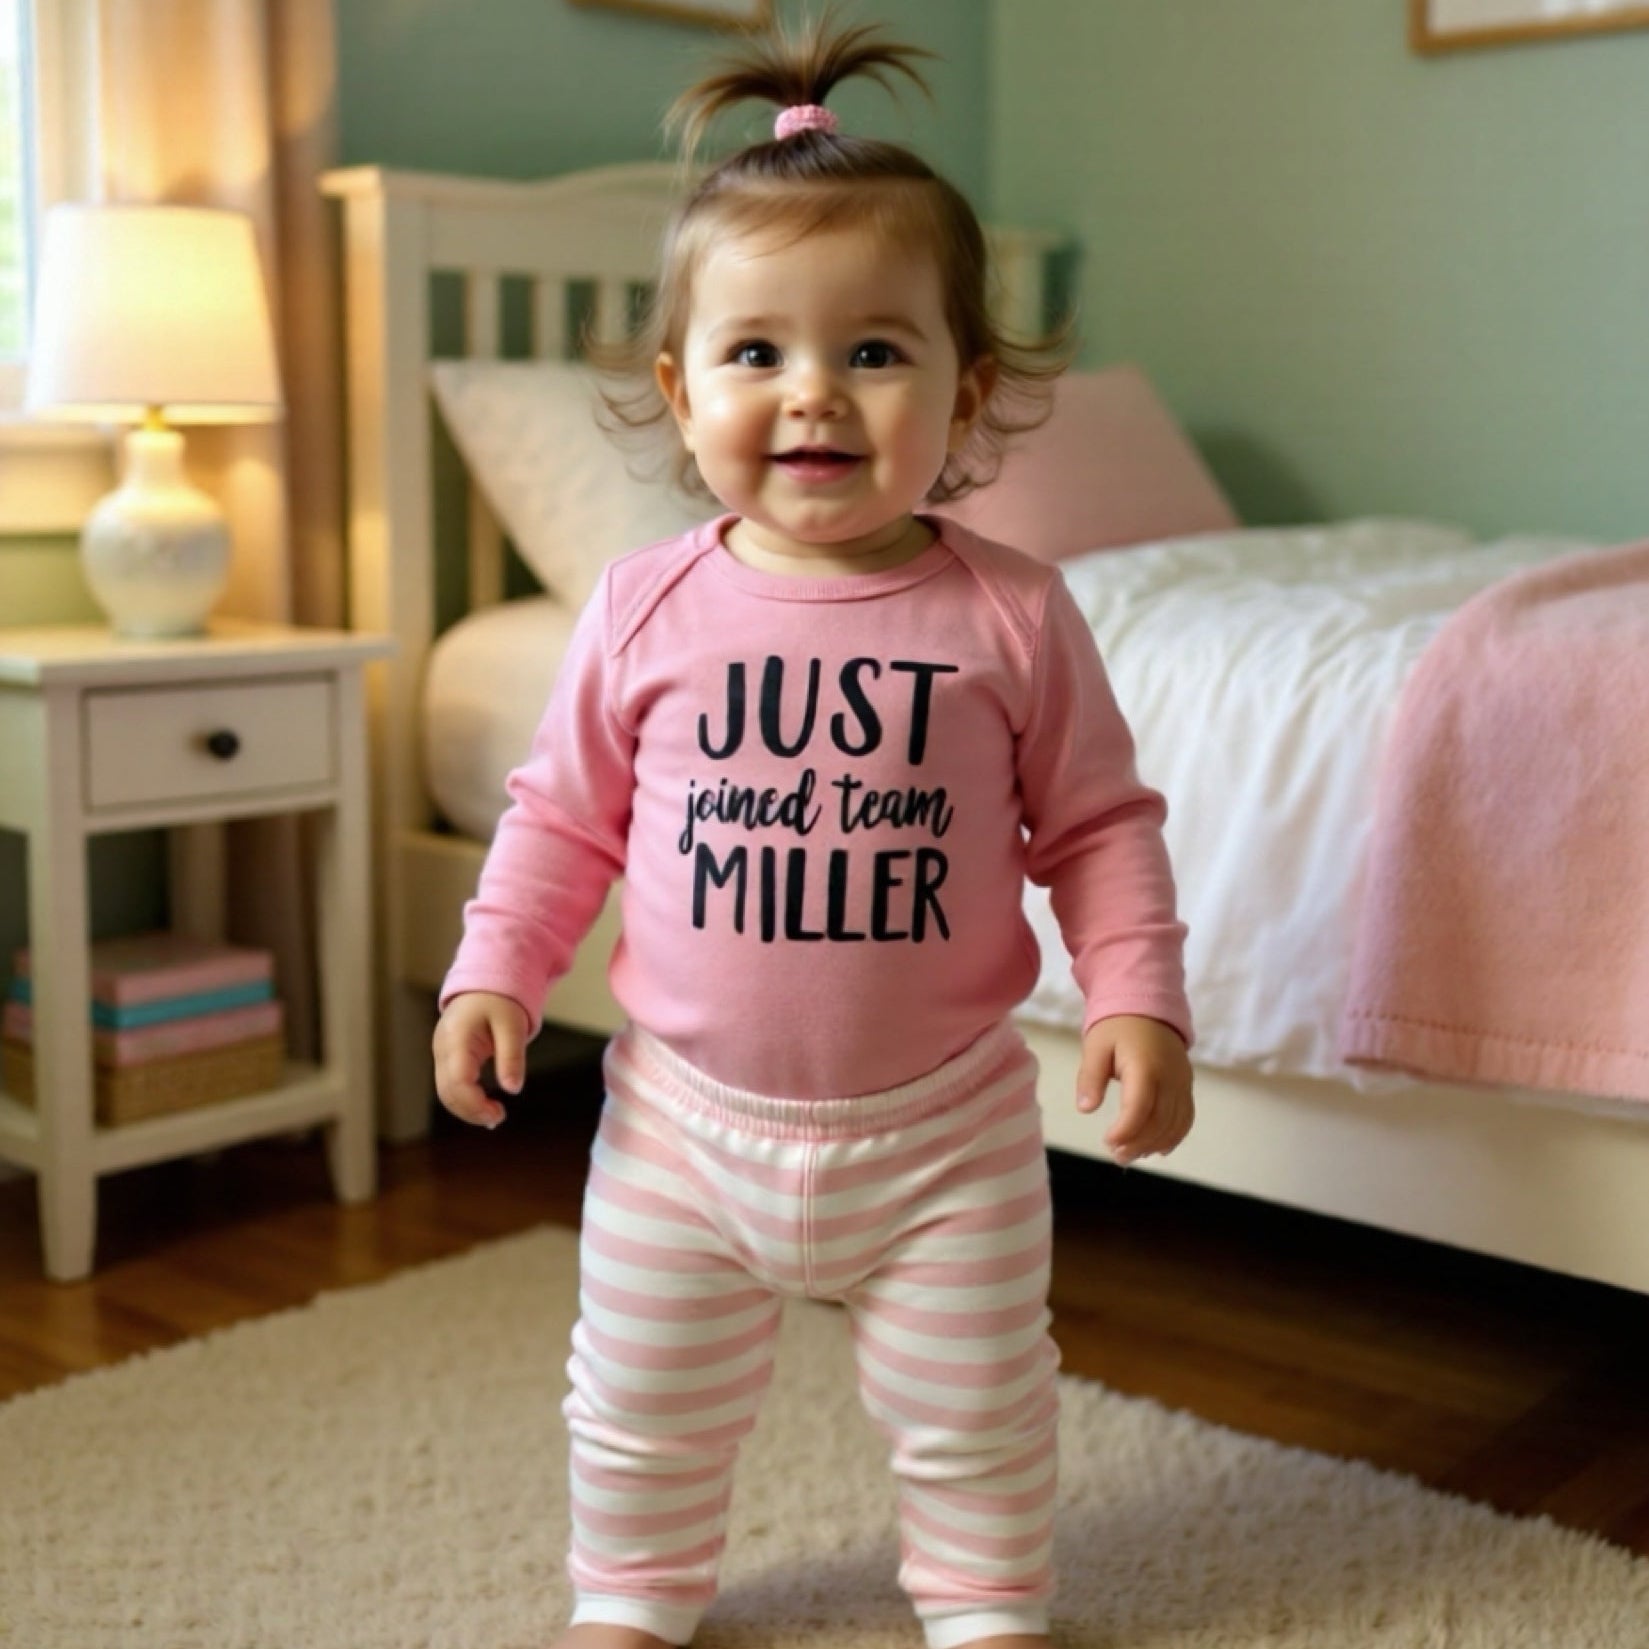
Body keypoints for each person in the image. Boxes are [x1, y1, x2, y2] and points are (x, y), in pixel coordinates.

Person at [432, 16, 1195, 1649]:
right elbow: (559, 818)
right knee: (638, 1398)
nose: (813, 395)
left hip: (942, 1132)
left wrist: (1135, 994)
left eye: (874, 351)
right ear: (678, 389)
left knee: (979, 1404)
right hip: (681, 1127)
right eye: (756, 352)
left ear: (964, 391)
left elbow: (1097, 825)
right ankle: (630, 1596)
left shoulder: (1011, 614)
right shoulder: (640, 609)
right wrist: (493, 971)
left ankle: (985, 1604)